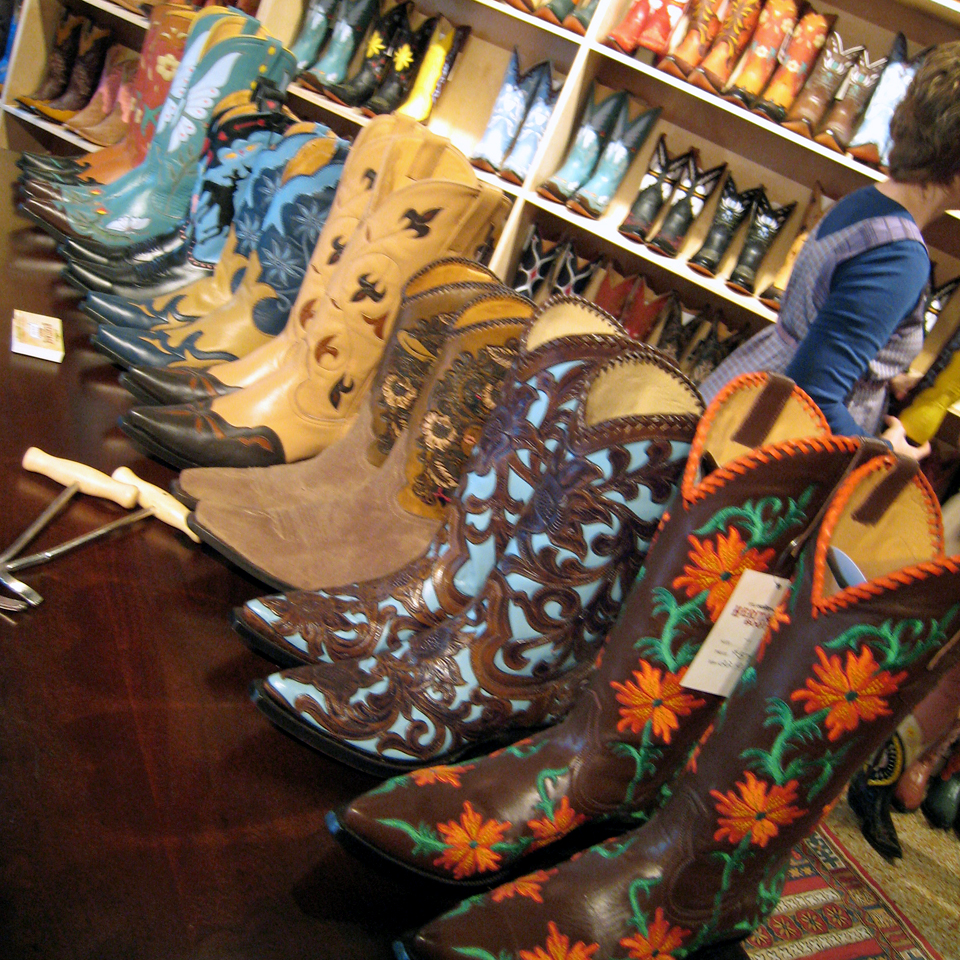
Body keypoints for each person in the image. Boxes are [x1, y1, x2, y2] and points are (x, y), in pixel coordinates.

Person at [699, 42, 960, 462]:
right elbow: (813, 393)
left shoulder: (866, 202)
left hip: (751, 393)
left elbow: (824, 328)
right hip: (776, 441)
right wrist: (885, 455)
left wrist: (878, 373)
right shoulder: (900, 258)